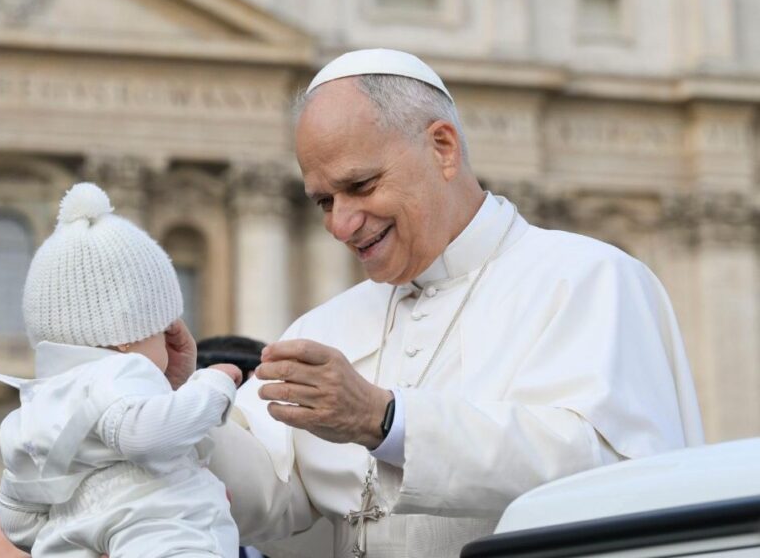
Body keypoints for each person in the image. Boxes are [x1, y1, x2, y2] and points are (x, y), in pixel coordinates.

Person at [156, 48, 704, 557]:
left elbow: (611, 476)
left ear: (442, 148)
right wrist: (185, 408)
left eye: (362, 186)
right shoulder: (327, 325)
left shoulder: (590, 279)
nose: (340, 224)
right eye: (324, 200)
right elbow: (270, 501)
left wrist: (386, 420)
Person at [0, 182, 242, 558]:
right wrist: (215, 382)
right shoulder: (122, 373)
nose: (172, 337)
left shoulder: (29, 414)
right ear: (128, 334)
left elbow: (17, 523)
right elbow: (144, 436)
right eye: (162, 327)